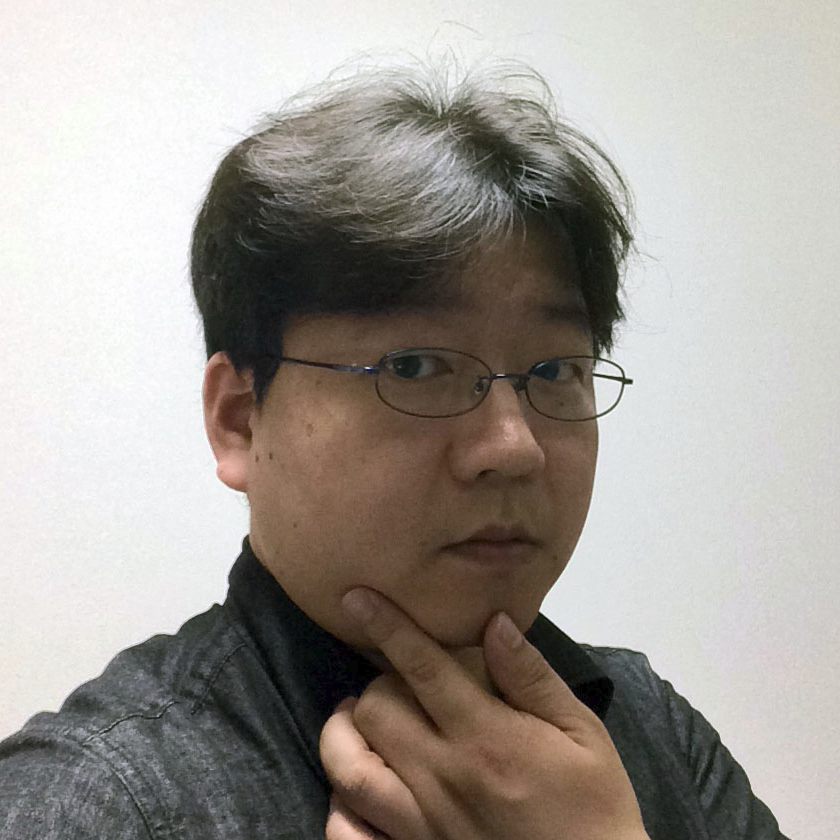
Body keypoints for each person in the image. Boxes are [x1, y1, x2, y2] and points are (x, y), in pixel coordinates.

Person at [0, 61, 788, 839]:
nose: (513, 448)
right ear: (240, 419)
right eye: (414, 367)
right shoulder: (93, 803)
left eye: (555, 371)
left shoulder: (656, 731)